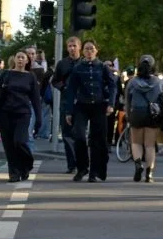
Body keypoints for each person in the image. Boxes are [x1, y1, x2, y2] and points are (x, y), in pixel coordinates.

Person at [63, 39, 116, 182]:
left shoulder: (102, 67)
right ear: (83, 51)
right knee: (79, 136)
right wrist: (69, 111)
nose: (89, 51)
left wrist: (111, 103)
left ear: (96, 51)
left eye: (92, 49)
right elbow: (71, 90)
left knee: (97, 139)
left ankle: (94, 171)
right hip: (82, 105)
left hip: (99, 106)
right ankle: (82, 167)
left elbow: (112, 85)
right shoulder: (78, 67)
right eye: (86, 49)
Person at [0, 51, 42, 183]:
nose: (20, 59)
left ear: (27, 61)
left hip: (23, 114)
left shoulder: (30, 77)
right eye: (18, 57)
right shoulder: (6, 74)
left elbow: (36, 100)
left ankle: (26, 164)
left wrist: (39, 119)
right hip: (5, 113)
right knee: (9, 146)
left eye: (22, 58)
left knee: (19, 141)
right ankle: (14, 173)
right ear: (14, 59)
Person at [125, 55, 163, 183]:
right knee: (149, 145)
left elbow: (128, 100)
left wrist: (128, 114)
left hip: (136, 113)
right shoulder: (158, 82)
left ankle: (138, 164)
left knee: (136, 143)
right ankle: (149, 174)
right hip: (152, 114)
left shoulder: (132, 82)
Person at [50, 37, 82, 173]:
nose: (72, 48)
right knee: (67, 134)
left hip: (82, 103)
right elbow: (55, 80)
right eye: (69, 46)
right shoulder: (62, 64)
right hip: (66, 102)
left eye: (74, 46)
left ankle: (81, 162)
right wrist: (63, 87)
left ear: (79, 47)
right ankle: (71, 164)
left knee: (80, 134)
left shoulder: (85, 63)